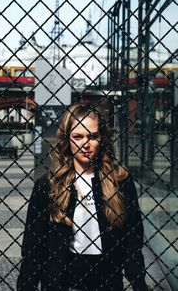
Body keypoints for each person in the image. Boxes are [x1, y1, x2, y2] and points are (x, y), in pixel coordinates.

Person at [17, 102, 148, 291]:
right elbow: (33, 248)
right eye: (78, 136)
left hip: (107, 280)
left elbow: (132, 241)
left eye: (92, 136)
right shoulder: (48, 186)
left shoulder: (121, 182)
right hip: (62, 281)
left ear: (102, 138)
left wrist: (139, 284)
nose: (85, 144)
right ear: (67, 140)